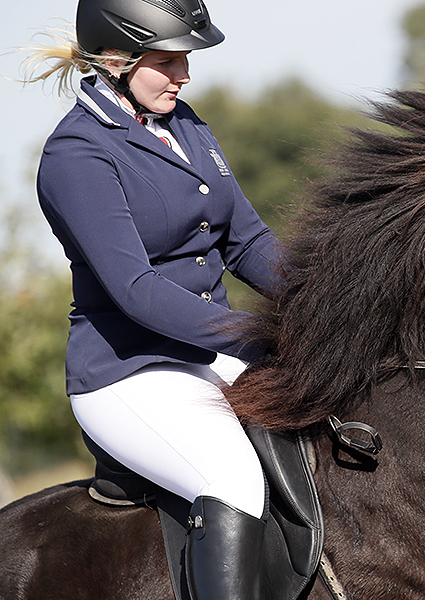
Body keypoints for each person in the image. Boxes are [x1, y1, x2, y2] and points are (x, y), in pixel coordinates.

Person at [21, 1, 287, 597]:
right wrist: (259, 333)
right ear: (115, 60)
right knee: (233, 479)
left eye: (185, 60)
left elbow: (246, 241)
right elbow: (136, 291)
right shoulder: (78, 154)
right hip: (127, 373)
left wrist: (329, 302)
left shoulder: (185, 124)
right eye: (167, 62)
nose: (185, 76)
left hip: (205, 354)